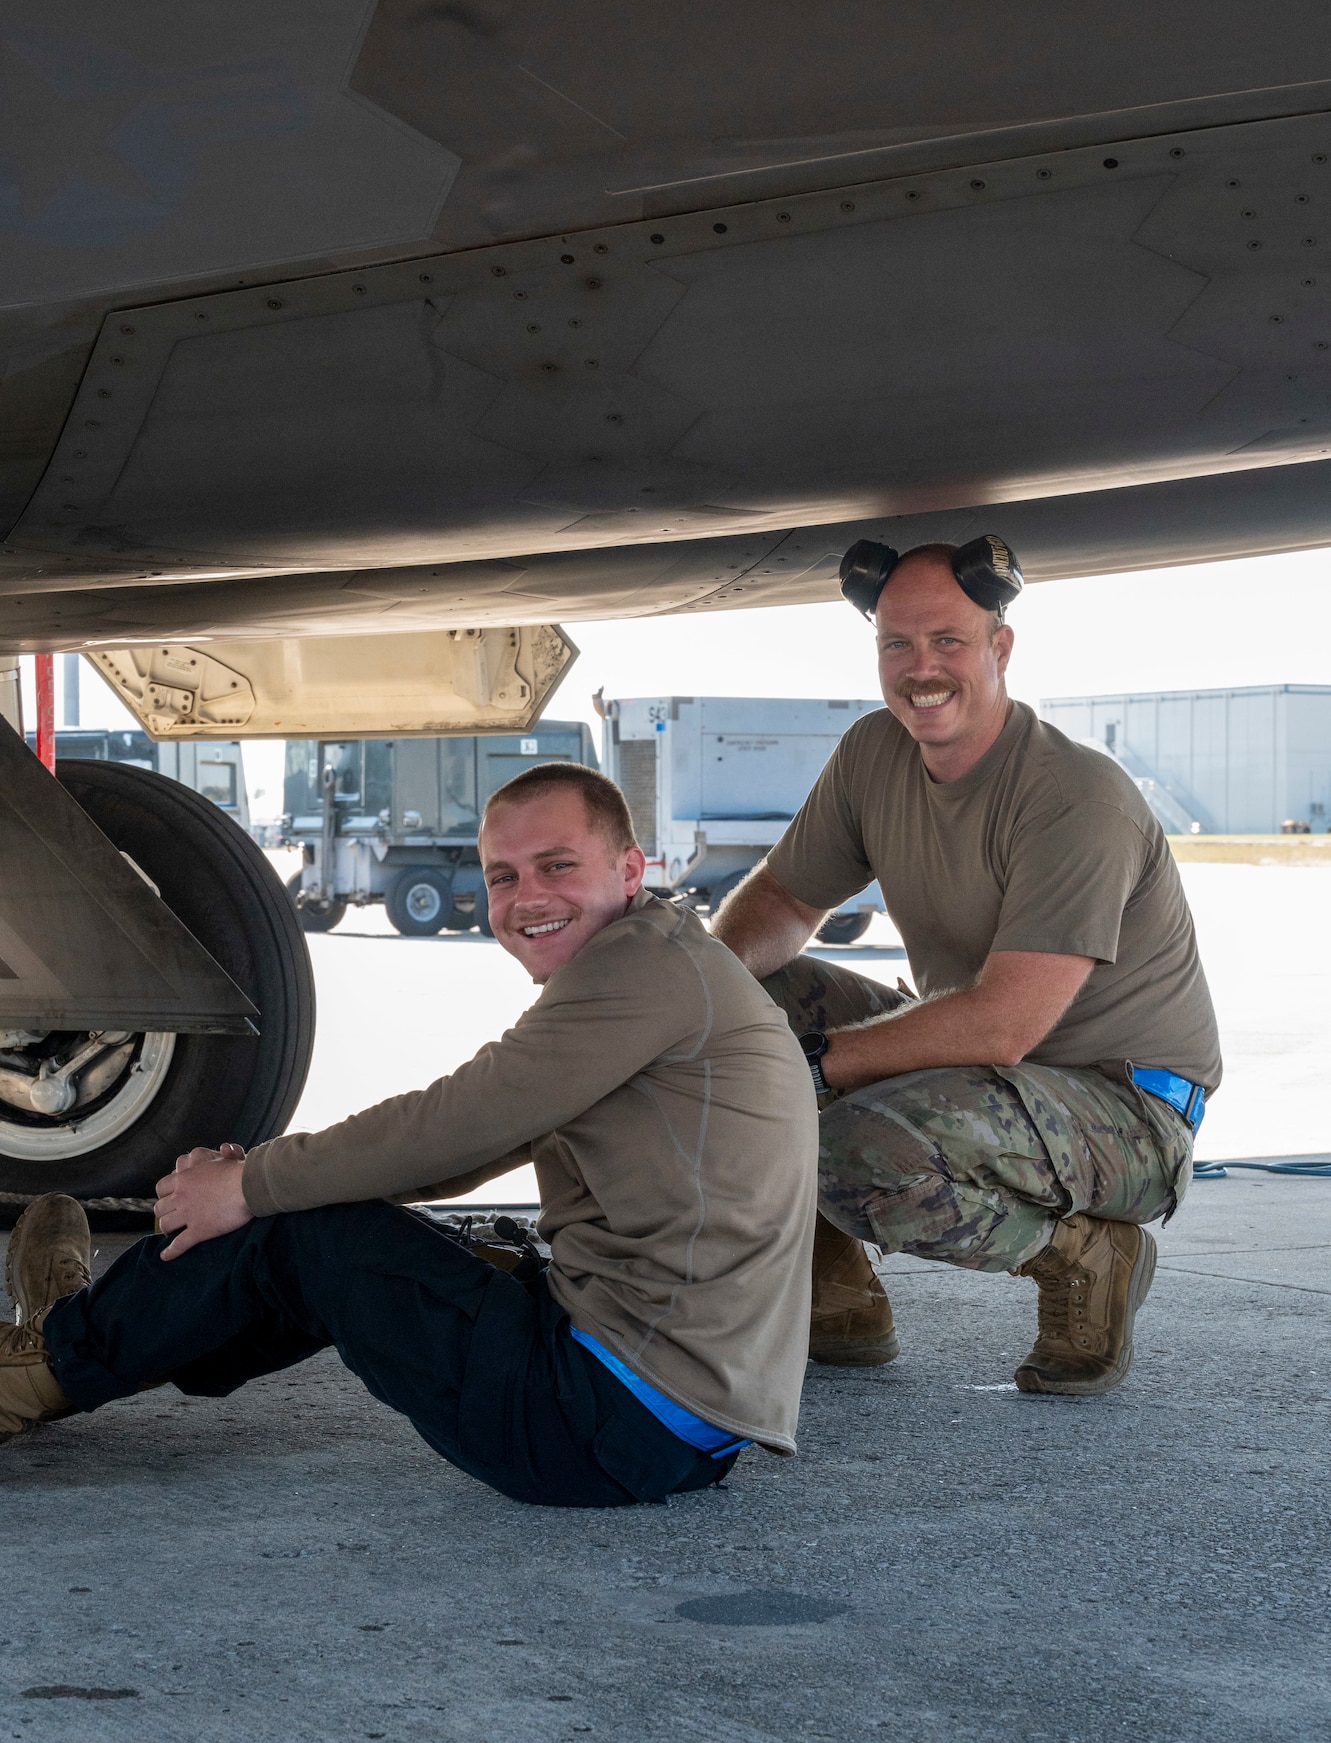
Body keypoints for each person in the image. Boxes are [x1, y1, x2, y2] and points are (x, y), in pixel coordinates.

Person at [0, 764, 818, 1504]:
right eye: (503, 876)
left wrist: (250, 1186)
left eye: (556, 865)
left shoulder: (639, 973)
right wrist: (260, 1188)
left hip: (602, 1421)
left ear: (631, 870)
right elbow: (473, 1149)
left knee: (312, 1232)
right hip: (673, 1422)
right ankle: (98, 1335)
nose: (527, 896)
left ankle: (42, 1366)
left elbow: (457, 1124)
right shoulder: (658, 956)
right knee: (319, 1217)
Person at [713, 537, 1221, 1395]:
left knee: (849, 1146)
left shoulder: (1072, 796)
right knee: (743, 998)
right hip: (988, 1070)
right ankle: (835, 1293)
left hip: (1125, 1104)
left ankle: (1087, 1252)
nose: (921, 669)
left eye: (947, 640)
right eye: (896, 644)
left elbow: (1002, 1024)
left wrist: (803, 1069)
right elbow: (784, 903)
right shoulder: (875, 752)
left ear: (999, 648)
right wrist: (689, 1005)